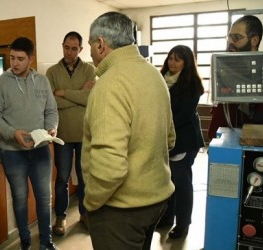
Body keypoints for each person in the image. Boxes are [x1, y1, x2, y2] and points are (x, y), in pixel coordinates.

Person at [82, 11, 176, 250]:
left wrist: (91, 202)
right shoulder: (153, 74)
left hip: (121, 209)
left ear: (101, 44)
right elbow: (170, 138)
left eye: (91, 45)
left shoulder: (109, 85)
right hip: (156, 199)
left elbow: (110, 167)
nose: (90, 52)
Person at [0, 37, 59, 250]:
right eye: (12, 58)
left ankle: (46, 242)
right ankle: (25, 241)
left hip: (40, 151)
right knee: (20, 199)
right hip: (12, 152)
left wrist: (52, 127)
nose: (14, 63)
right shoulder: (1, 83)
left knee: (45, 198)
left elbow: (51, 110)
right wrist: (12, 133)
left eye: (20, 59)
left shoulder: (42, 81)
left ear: (30, 59)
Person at [45, 31, 95, 235]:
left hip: (84, 133)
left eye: (74, 48)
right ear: (62, 46)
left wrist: (64, 92)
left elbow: (90, 98)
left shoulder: (89, 70)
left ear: (81, 49)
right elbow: (51, 102)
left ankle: (84, 213)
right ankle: (61, 218)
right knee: (62, 179)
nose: (70, 52)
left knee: (85, 178)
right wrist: (79, 95)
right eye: (67, 47)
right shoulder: (52, 72)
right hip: (62, 135)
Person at [156, 45, 205, 239]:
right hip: (165, 139)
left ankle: (183, 223)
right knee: (167, 181)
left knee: (182, 183)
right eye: (170, 58)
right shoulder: (160, 80)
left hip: (184, 140)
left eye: (177, 59)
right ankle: (167, 217)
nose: (172, 63)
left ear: (187, 62)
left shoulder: (192, 84)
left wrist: (158, 126)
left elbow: (182, 116)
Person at [208, 15, 263, 139]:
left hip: (260, 146)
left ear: (254, 40)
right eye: (229, 37)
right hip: (226, 142)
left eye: (236, 37)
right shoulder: (223, 71)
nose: (230, 42)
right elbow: (219, 117)